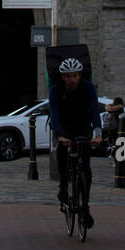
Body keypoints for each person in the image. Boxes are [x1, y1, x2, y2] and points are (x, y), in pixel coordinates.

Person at [48, 57, 102, 229]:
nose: (71, 80)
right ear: (62, 77)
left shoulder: (88, 88)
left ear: (80, 75)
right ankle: (63, 185)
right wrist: (59, 135)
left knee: (85, 165)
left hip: (82, 124)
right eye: (67, 76)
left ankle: (85, 206)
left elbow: (94, 109)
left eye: (74, 76)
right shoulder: (56, 90)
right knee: (63, 152)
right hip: (64, 124)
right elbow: (54, 112)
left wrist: (98, 133)